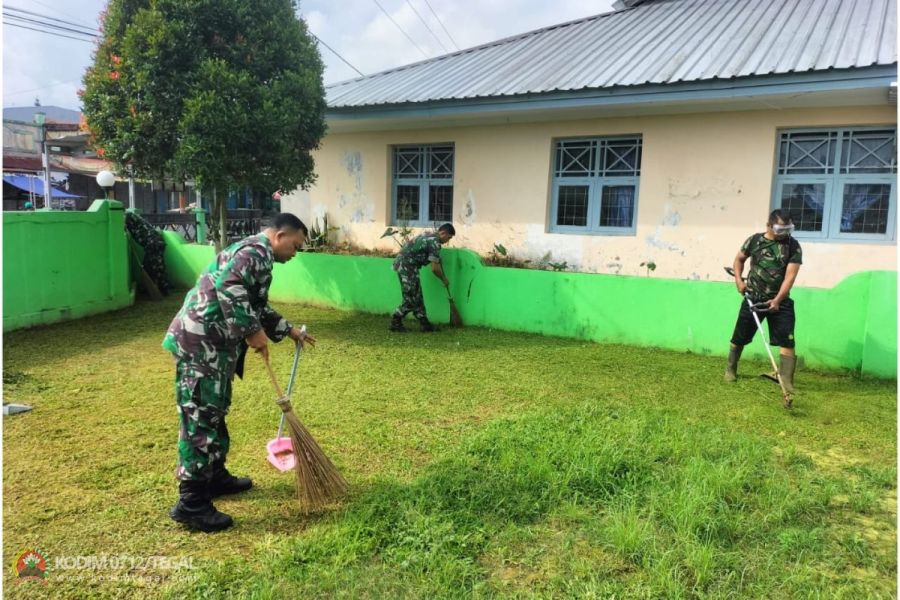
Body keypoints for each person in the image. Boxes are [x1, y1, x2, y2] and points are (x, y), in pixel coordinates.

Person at [163, 213, 315, 532]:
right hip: (201, 344)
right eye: (295, 245)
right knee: (201, 416)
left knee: (215, 410)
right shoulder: (255, 252)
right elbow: (229, 286)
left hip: (214, 345)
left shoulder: (257, 254)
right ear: (279, 236)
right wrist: (250, 331)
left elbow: (254, 303)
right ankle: (191, 503)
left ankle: (214, 476)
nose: (295, 253)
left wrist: (287, 330)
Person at [725, 209, 802, 392]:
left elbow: (790, 277)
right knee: (739, 337)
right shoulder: (754, 240)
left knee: (787, 341)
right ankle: (730, 369)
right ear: (768, 225)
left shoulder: (793, 246)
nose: (784, 233)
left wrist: (777, 300)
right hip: (753, 299)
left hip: (780, 302)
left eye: (788, 229)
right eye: (780, 229)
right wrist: (739, 281)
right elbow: (739, 260)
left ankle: (786, 381)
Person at [390, 223, 456, 332]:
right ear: (443, 233)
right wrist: (444, 279)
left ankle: (425, 324)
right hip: (407, 267)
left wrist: (437, 259)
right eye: (449, 237)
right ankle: (395, 322)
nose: (448, 241)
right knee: (411, 297)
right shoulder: (435, 242)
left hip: (404, 265)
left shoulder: (428, 235)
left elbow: (429, 256)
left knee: (417, 295)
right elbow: (434, 269)